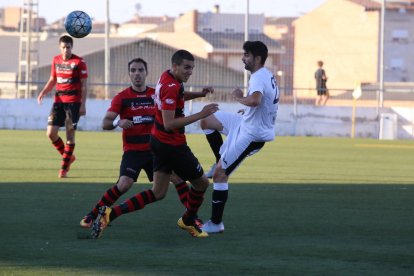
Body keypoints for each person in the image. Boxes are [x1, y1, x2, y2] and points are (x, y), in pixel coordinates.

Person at [92, 50, 219, 238]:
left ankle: (111, 213)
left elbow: (179, 95)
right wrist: (201, 114)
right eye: (186, 67)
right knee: (202, 183)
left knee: (158, 192)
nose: (190, 71)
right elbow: (169, 124)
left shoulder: (168, 77)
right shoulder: (170, 86)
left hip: (158, 142)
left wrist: (200, 94)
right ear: (175, 66)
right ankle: (188, 220)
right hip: (172, 145)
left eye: (192, 68)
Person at [79, 58, 196, 230]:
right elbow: (105, 122)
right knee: (124, 184)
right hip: (133, 152)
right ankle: (94, 214)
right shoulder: (122, 98)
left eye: (140, 70)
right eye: (133, 70)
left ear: (146, 73)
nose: (137, 74)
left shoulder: (154, 94)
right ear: (129, 74)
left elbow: (178, 98)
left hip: (155, 150)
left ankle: (192, 218)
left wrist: (200, 94)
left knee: (177, 178)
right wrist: (117, 123)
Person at [200, 41, 279, 233]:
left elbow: (255, 100)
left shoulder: (259, 77)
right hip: (246, 123)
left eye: (246, 55)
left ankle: (216, 223)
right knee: (206, 119)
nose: (243, 58)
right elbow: (265, 102)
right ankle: (220, 160)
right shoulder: (265, 75)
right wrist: (248, 110)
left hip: (252, 135)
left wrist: (238, 97)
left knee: (220, 175)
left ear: (257, 58)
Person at [37, 35, 88, 178]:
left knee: (69, 137)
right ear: (60, 47)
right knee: (50, 133)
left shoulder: (79, 62)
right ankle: (69, 157)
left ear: (72, 47)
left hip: (73, 103)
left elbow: (84, 86)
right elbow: (53, 79)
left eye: (69, 47)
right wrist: (43, 92)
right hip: (58, 103)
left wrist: (83, 105)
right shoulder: (56, 60)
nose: (66, 50)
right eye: (64, 47)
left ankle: (64, 169)